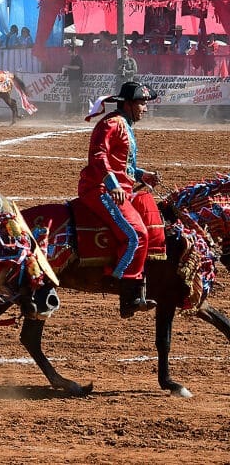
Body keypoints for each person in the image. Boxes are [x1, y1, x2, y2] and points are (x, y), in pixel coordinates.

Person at [79, 81, 161, 318]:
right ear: (128, 104)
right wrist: (112, 184)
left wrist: (143, 175)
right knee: (136, 236)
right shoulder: (111, 124)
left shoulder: (124, 124)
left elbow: (124, 166)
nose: (145, 108)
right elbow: (97, 155)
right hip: (99, 189)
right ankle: (126, 292)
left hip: (118, 189)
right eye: (142, 103)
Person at [61, 43, 84, 116]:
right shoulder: (73, 58)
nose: (69, 54)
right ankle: (76, 110)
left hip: (76, 79)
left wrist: (67, 66)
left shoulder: (78, 58)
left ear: (73, 51)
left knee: (75, 95)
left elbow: (77, 67)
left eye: (70, 52)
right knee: (73, 95)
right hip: (72, 79)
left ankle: (78, 110)